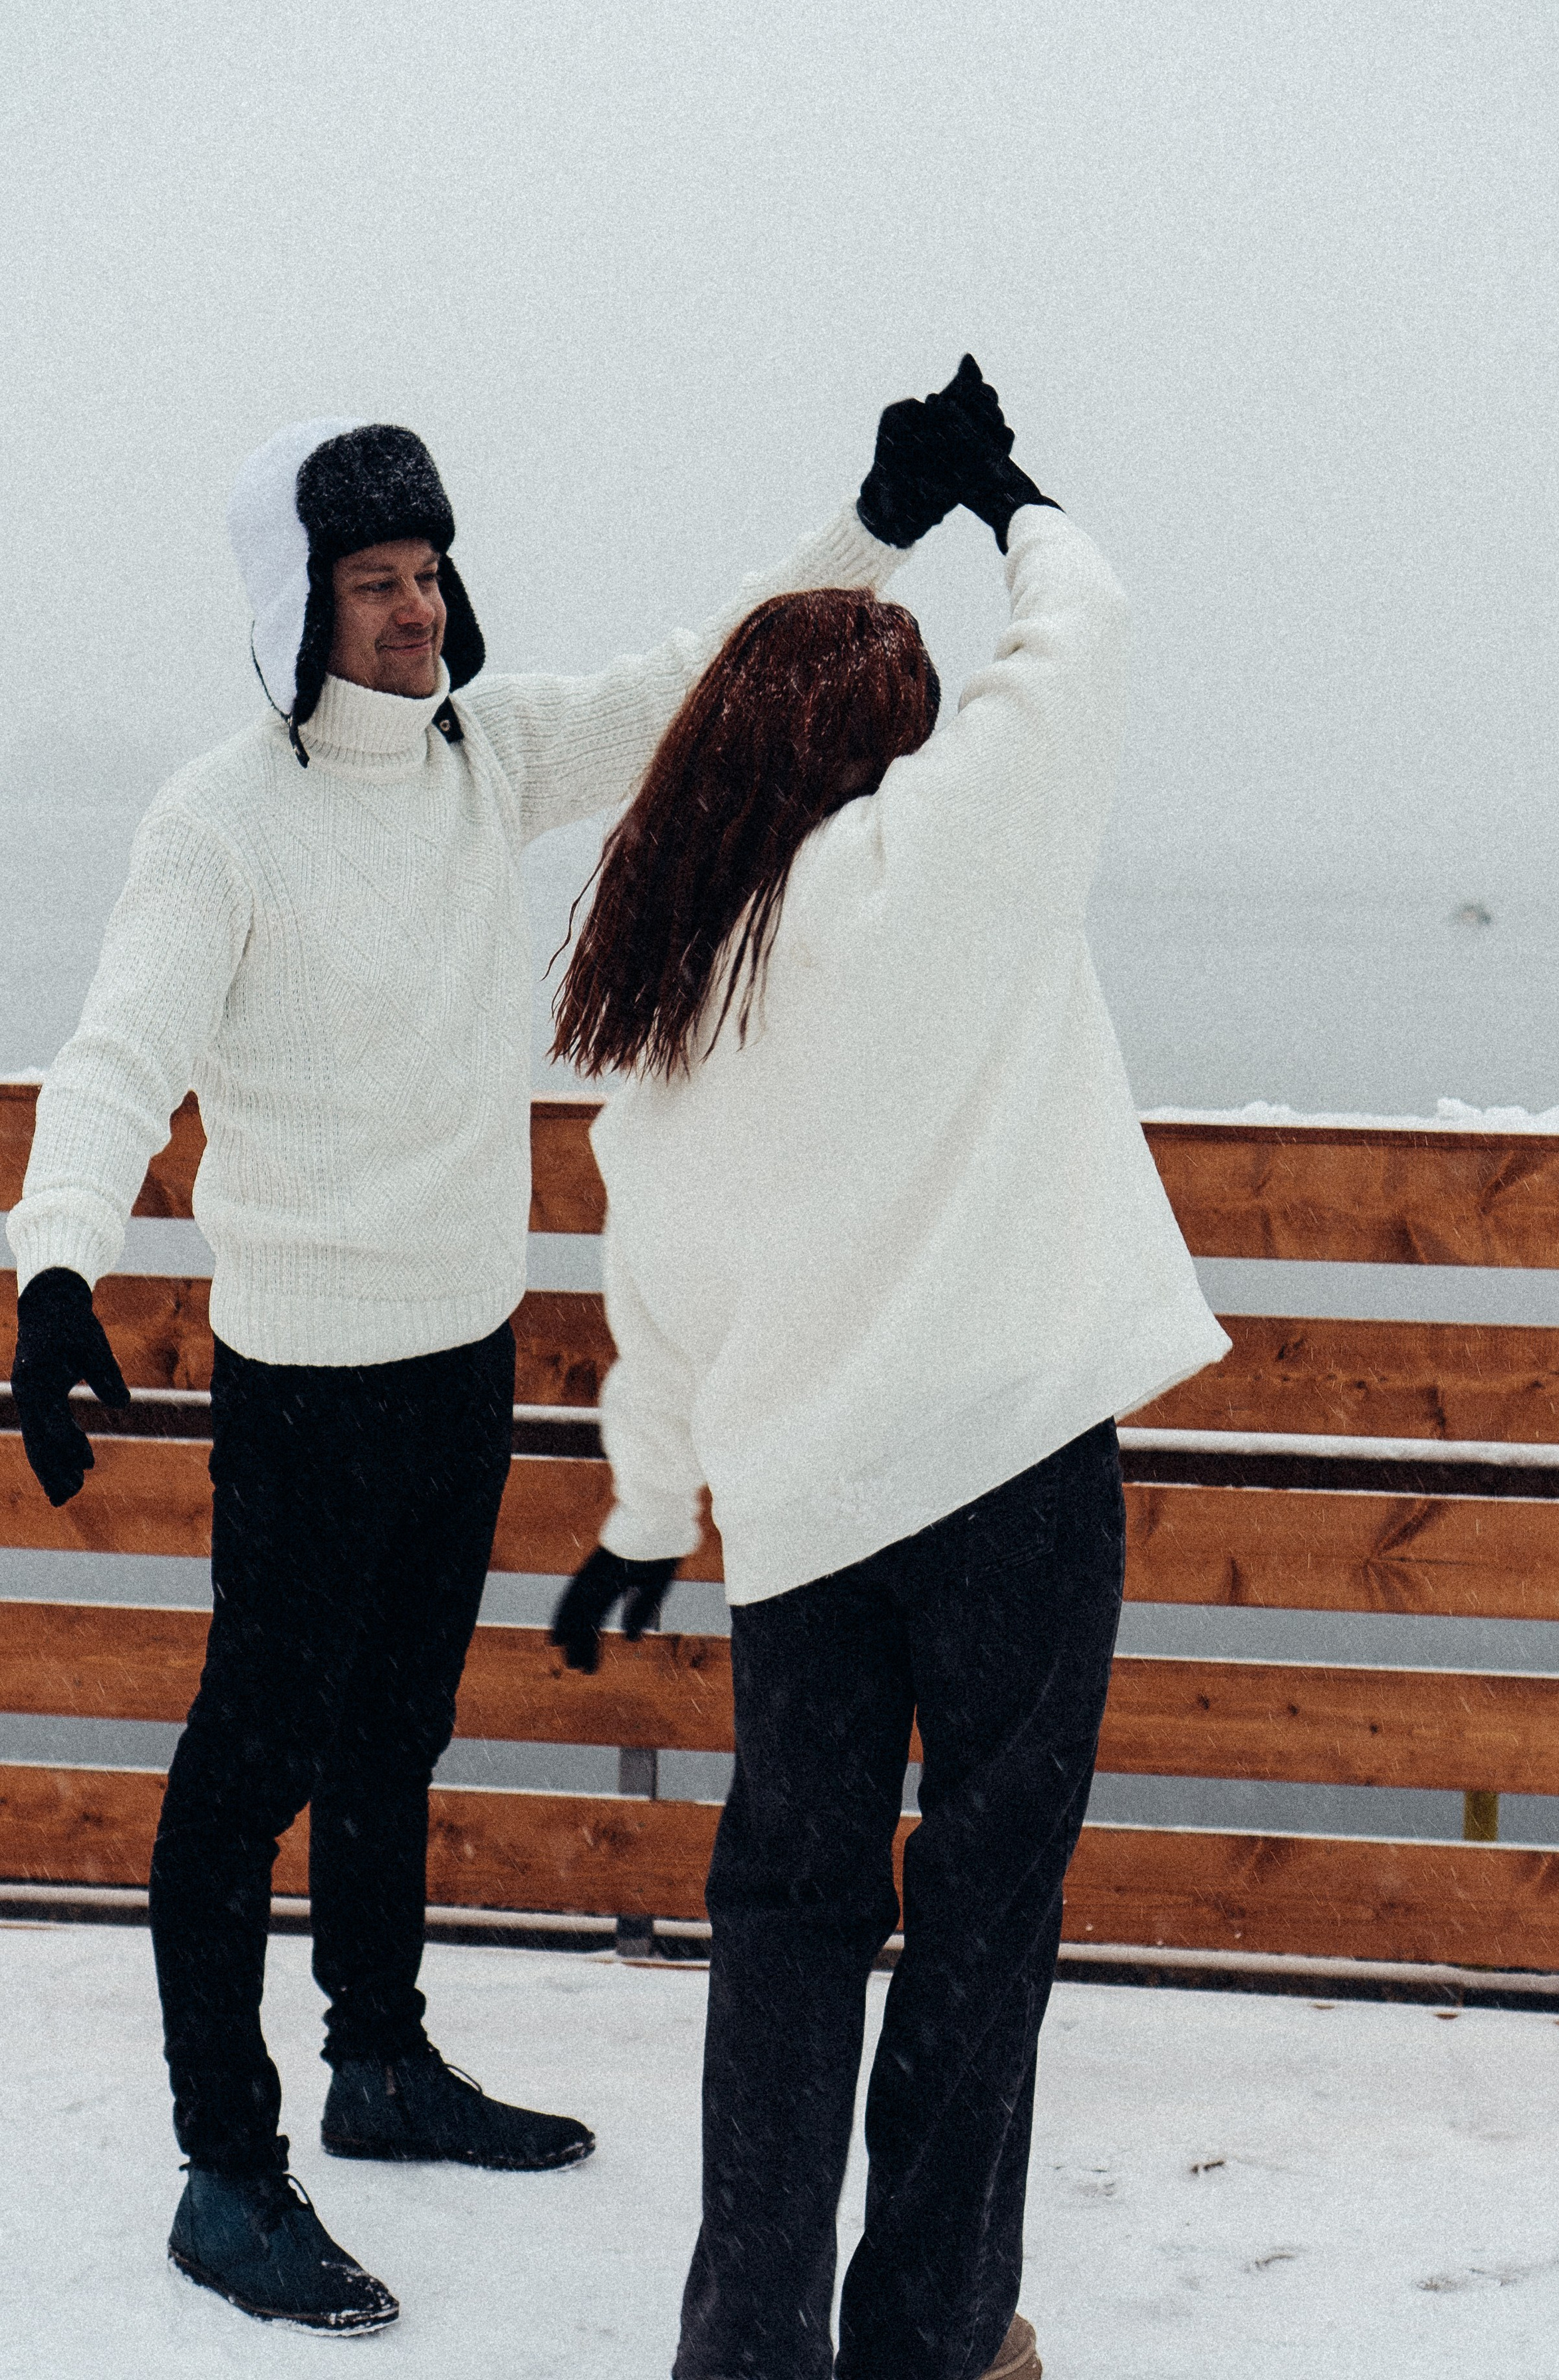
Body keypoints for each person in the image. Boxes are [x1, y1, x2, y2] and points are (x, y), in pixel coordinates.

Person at [6, 405, 920, 2333]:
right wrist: (57, 1263)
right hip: (305, 1378)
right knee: (247, 1770)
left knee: (397, 1731)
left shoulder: (485, 762)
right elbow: (113, 1059)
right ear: (301, 607)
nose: (416, 611)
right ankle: (225, 2170)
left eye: (428, 573)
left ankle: (380, 2065)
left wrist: (879, 521)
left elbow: (703, 670)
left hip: (457, 1361)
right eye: (374, 582)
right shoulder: (219, 823)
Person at [550, 357, 1231, 2380]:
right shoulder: (949, 857)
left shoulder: (673, 1019)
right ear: (891, 739)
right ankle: (930, 2344)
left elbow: (656, 1301)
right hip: (1012, 1478)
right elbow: (1088, 629)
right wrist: (1008, 497)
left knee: (785, 1925)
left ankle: (744, 2345)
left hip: (806, 1526)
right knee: (982, 1921)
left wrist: (647, 1520)